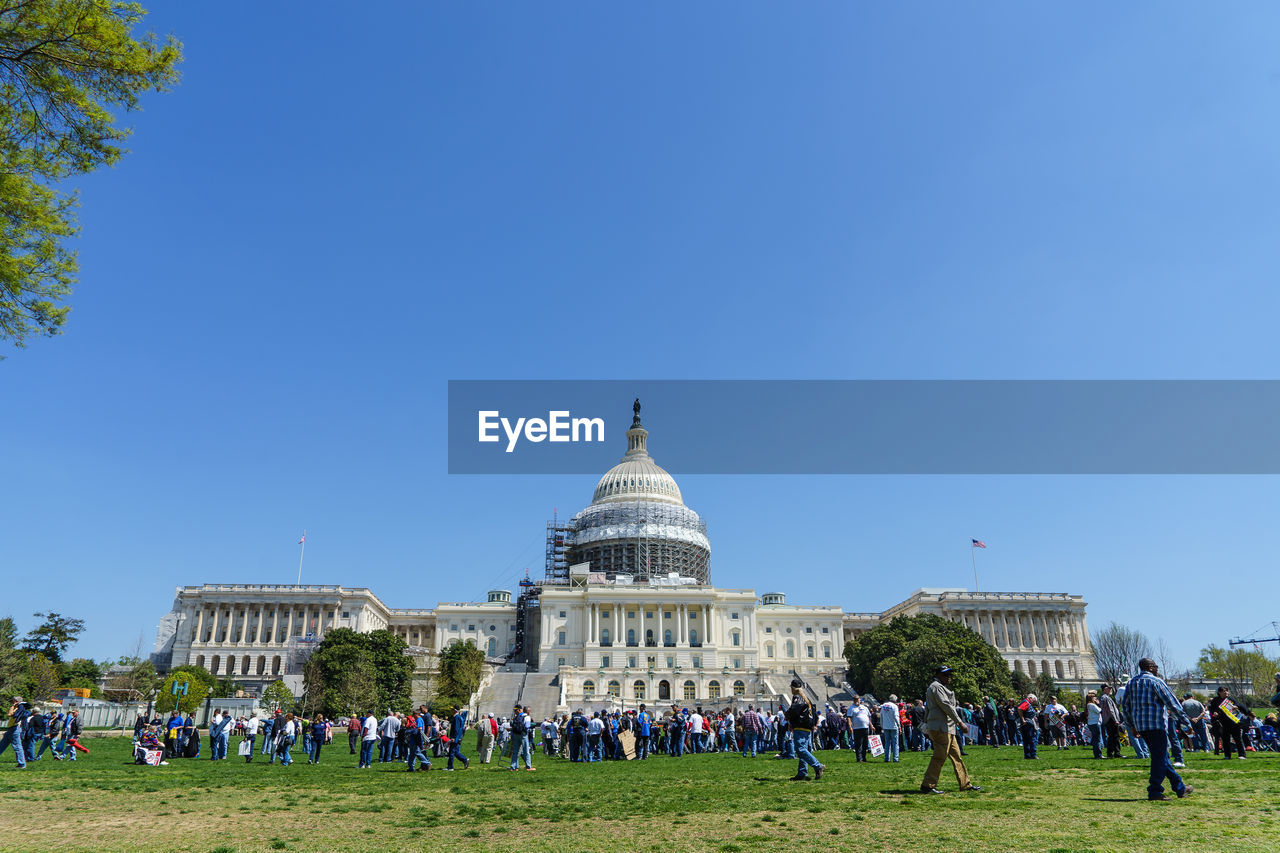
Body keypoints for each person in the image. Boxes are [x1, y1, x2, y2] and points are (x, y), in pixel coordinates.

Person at [1120, 658, 1194, 801]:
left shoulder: (1131, 683)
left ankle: (1180, 787)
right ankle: (1154, 790)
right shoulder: (1156, 681)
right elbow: (1172, 704)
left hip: (1142, 727)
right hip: (1156, 725)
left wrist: (1132, 726)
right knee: (1159, 759)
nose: (1157, 668)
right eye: (1156, 666)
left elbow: (1126, 707)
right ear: (1151, 667)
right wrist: (1186, 723)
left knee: (1162, 758)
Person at [921, 666, 980, 795]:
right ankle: (928, 785)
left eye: (949, 674)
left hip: (947, 728)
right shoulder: (936, 687)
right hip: (941, 727)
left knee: (957, 757)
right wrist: (960, 722)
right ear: (938, 675)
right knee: (939, 757)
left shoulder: (940, 687)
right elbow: (946, 705)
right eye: (945, 675)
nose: (949, 677)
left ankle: (965, 784)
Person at [784, 678, 824, 781]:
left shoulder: (797, 697)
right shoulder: (807, 698)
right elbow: (814, 713)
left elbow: (794, 710)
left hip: (801, 726)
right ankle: (802, 772)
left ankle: (817, 765)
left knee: (800, 749)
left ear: (793, 688)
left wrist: (787, 715)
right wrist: (814, 724)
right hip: (807, 727)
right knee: (805, 750)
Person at [1208, 687, 1247, 760]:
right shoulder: (1215, 700)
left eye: (1226, 691)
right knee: (1225, 740)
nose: (1226, 693)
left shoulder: (1230, 699)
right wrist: (1214, 713)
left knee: (1238, 739)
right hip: (1223, 723)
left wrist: (1236, 706)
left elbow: (1238, 705)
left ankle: (1242, 754)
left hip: (1234, 722)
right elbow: (1211, 709)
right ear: (1219, 692)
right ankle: (1227, 755)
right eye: (1224, 691)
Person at [0, 697, 30, 769]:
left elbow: (10, 714)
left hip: (14, 729)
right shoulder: (18, 708)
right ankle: (21, 763)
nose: (12, 702)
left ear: (16, 701)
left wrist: (13, 706)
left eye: (13, 701)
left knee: (17, 747)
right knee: (1, 745)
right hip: (11, 729)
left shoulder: (19, 709)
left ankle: (22, 763)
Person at [510, 704, 534, 771]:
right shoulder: (526, 716)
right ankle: (528, 767)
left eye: (515, 710)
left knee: (515, 751)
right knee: (526, 751)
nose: (515, 711)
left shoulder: (515, 717)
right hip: (523, 734)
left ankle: (513, 767)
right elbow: (527, 726)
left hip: (516, 734)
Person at [848, 696, 871, 761]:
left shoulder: (864, 708)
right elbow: (849, 718)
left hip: (865, 727)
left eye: (857, 699)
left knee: (865, 744)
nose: (856, 701)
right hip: (857, 728)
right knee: (858, 744)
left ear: (859, 700)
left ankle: (864, 757)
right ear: (853, 700)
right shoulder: (851, 708)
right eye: (855, 699)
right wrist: (850, 726)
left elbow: (868, 717)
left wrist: (871, 725)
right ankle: (859, 758)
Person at [447, 705, 470, 770]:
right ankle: (465, 760)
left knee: (451, 752)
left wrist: (454, 738)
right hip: (457, 737)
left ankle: (450, 767)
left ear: (455, 710)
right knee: (455, 752)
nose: (451, 711)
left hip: (455, 737)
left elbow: (456, 729)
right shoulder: (458, 717)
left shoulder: (457, 717)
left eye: (452, 709)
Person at [880, 694, 901, 763]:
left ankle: (887, 758)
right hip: (893, 726)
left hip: (886, 726)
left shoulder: (883, 706)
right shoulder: (894, 706)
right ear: (895, 700)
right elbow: (896, 717)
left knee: (887, 743)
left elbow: (881, 716)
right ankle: (895, 758)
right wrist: (899, 726)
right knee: (895, 743)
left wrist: (882, 725)